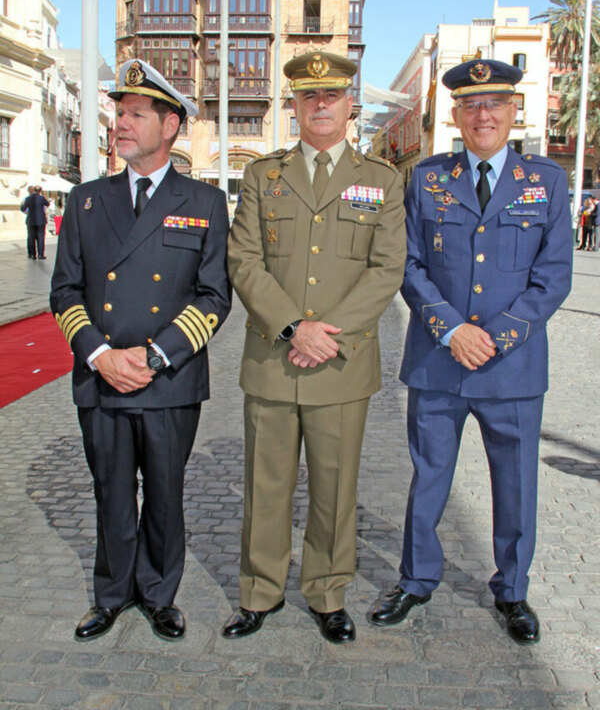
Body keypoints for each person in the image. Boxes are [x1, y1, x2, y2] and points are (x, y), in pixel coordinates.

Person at [367, 59, 572, 645]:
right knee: (429, 476)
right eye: (472, 105)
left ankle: (512, 589)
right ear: (455, 115)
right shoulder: (428, 177)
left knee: (515, 482)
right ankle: (416, 578)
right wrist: (453, 330)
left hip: (512, 367)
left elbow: (554, 277)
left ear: (515, 111)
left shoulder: (547, 182)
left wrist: (497, 335)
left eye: (496, 104)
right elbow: (407, 265)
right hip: (439, 361)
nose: (483, 115)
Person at [224, 51, 406, 644]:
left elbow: (387, 269)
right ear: (295, 105)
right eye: (309, 96)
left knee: (335, 487)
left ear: (350, 105)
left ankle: (328, 593)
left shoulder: (381, 179)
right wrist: (291, 327)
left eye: (331, 96)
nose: (321, 105)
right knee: (266, 484)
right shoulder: (262, 176)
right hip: (274, 358)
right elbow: (244, 260)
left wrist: (326, 336)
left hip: (341, 363)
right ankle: (260, 591)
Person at [50, 60, 231, 642]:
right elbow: (64, 291)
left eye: (134, 114)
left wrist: (154, 357)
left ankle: (157, 593)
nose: (119, 124)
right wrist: (101, 354)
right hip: (101, 376)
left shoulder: (203, 201)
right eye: (118, 114)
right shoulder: (84, 201)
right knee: (110, 490)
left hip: (168, 379)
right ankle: (111, 593)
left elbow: (213, 296)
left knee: (164, 491)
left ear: (170, 125)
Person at [21, 185, 49, 259]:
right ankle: (41, 254)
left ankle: (33, 254)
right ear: (40, 191)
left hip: (31, 220)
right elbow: (47, 204)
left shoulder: (28, 199)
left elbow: (23, 208)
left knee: (31, 237)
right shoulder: (42, 198)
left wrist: (23, 207)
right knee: (41, 237)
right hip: (41, 220)